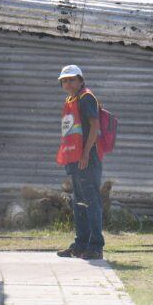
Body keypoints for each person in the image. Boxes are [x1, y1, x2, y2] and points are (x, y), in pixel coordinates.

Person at [55, 65, 105, 260]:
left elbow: (95, 126)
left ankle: (96, 247)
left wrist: (85, 154)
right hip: (75, 158)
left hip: (88, 159)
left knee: (91, 202)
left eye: (71, 79)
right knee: (79, 203)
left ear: (80, 80)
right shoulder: (71, 99)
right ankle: (80, 244)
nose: (67, 83)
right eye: (64, 80)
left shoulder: (86, 98)